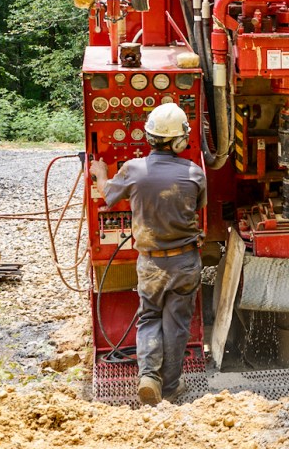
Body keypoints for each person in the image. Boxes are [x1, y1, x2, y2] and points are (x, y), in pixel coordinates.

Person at [90, 102, 206, 406]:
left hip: (151, 262)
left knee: (149, 317)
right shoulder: (194, 173)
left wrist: (100, 172)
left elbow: (108, 195)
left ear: (150, 136)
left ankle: (148, 377)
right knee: (177, 324)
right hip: (185, 261)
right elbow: (198, 206)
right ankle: (169, 388)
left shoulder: (133, 170)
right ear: (179, 141)